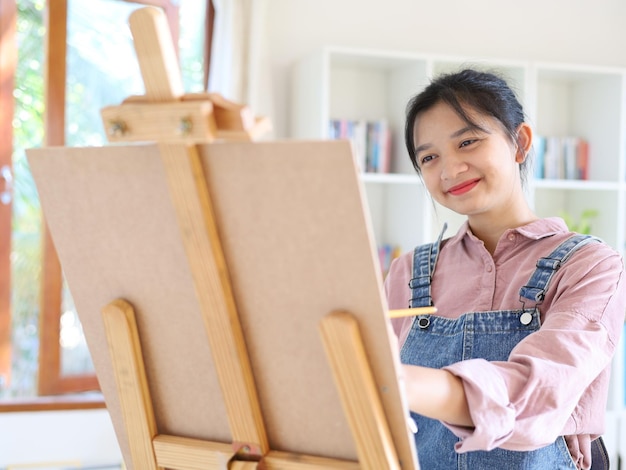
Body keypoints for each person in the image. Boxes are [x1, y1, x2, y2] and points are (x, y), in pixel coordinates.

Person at [385, 68, 626, 469]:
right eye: (429, 157)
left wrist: (393, 382)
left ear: (520, 142)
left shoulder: (591, 265)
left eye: (468, 141)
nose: (450, 169)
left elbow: (542, 387)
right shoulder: (407, 271)